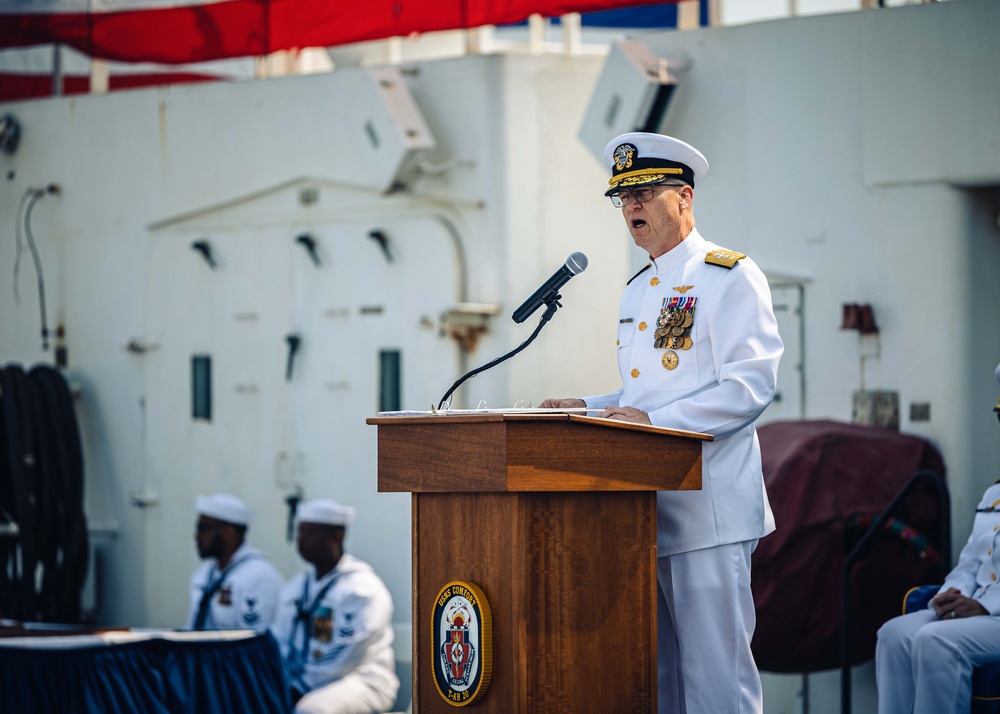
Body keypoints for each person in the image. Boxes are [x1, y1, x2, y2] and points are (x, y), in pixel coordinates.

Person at [540, 132, 783, 713]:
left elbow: (749, 386)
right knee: (658, 680)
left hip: (709, 510)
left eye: (645, 194)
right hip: (645, 512)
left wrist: (646, 419)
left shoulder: (728, 275)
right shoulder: (639, 289)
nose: (632, 209)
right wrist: (588, 408)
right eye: (623, 199)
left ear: (684, 197)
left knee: (716, 681)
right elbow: (645, 394)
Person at [876, 364, 1000, 714]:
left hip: (993, 613)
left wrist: (984, 607)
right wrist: (954, 592)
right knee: (893, 635)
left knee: (937, 641)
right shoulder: (995, 494)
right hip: (978, 610)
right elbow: (971, 562)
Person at [270, 498, 399, 714]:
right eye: (300, 532)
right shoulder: (296, 588)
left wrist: (298, 687)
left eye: (311, 533)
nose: (301, 540)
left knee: (311, 710)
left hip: (362, 679)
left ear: (337, 536)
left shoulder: (361, 588)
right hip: (300, 681)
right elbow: (279, 641)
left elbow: (346, 653)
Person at [188, 492, 284, 631]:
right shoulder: (203, 575)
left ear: (228, 532)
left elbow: (254, 643)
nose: (197, 535)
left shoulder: (259, 576)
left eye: (203, 528)